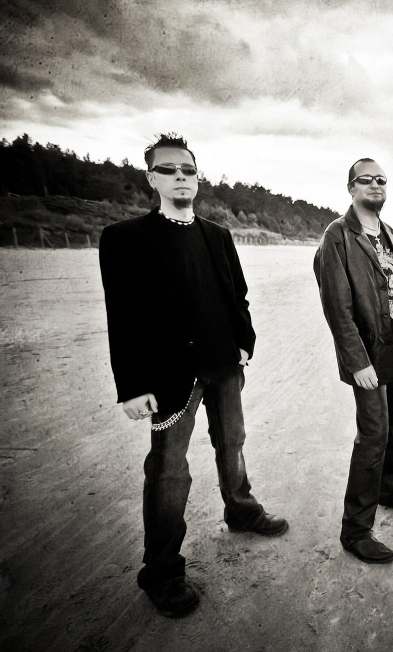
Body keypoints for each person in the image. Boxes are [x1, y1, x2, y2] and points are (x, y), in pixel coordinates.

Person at [99, 134, 287, 618]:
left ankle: (241, 509)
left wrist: (244, 343)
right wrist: (131, 387)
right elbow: (123, 317)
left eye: (188, 169)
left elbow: (237, 295)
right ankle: (162, 572)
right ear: (151, 178)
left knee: (233, 443)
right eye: (168, 169)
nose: (180, 176)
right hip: (169, 377)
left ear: (197, 177)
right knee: (168, 471)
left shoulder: (217, 234)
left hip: (225, 366)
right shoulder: (125, 238)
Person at [314, 158, 393, 564]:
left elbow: (392, 285)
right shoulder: (337, 236)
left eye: (381, 179)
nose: (375, 185)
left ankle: (389, 488)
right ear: (351, 188)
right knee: (373, 435)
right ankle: (356, 529)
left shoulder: (388, 232)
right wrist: (357, 362)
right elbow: (337, 308)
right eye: (366, 180)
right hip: (368, 353)